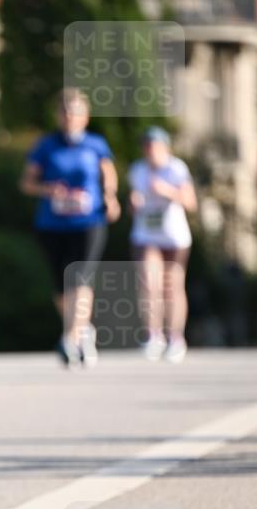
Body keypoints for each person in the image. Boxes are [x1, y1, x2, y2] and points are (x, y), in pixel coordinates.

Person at [20, 89, 120, 366]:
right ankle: (82, 330)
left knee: (81, 277)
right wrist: (48, 189)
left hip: (89, 221)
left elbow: (108, 174)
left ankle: (70, 336)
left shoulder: (96, 144)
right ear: (58, 115)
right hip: (52, 223)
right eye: (65, 111)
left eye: (75, 111)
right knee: (61, 286)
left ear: (85, 116)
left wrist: (110, 197)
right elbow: (27, 183)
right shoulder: (46, 145)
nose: (70, 117)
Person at [128, 127, 197, 363]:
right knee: (149, 282)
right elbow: (133, 202)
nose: (150, 150)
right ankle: (153, 335)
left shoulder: (176, 168)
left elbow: (190, 202)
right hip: (146, 234)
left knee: (172, 286)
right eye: (146, 146)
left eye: (154, 145)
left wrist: (167, 191)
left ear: (164, 147)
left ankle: (175, 337)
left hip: (174, 236)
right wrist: (133, 203)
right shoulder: (137, 170)